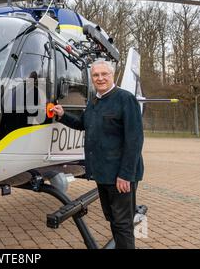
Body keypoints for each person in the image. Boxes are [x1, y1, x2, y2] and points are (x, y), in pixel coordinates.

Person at [52, 59, 144, 249]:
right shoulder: (94, 101)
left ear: (112, 75)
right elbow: (82, 124)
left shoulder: (125, 99)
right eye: (96, 75)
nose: (100, 78)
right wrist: (62, 115)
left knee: (123, 223)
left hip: (120, 175)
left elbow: (134, 141)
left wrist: (126, 175)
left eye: (104, 74)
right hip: (102, 173)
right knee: (112, 218)